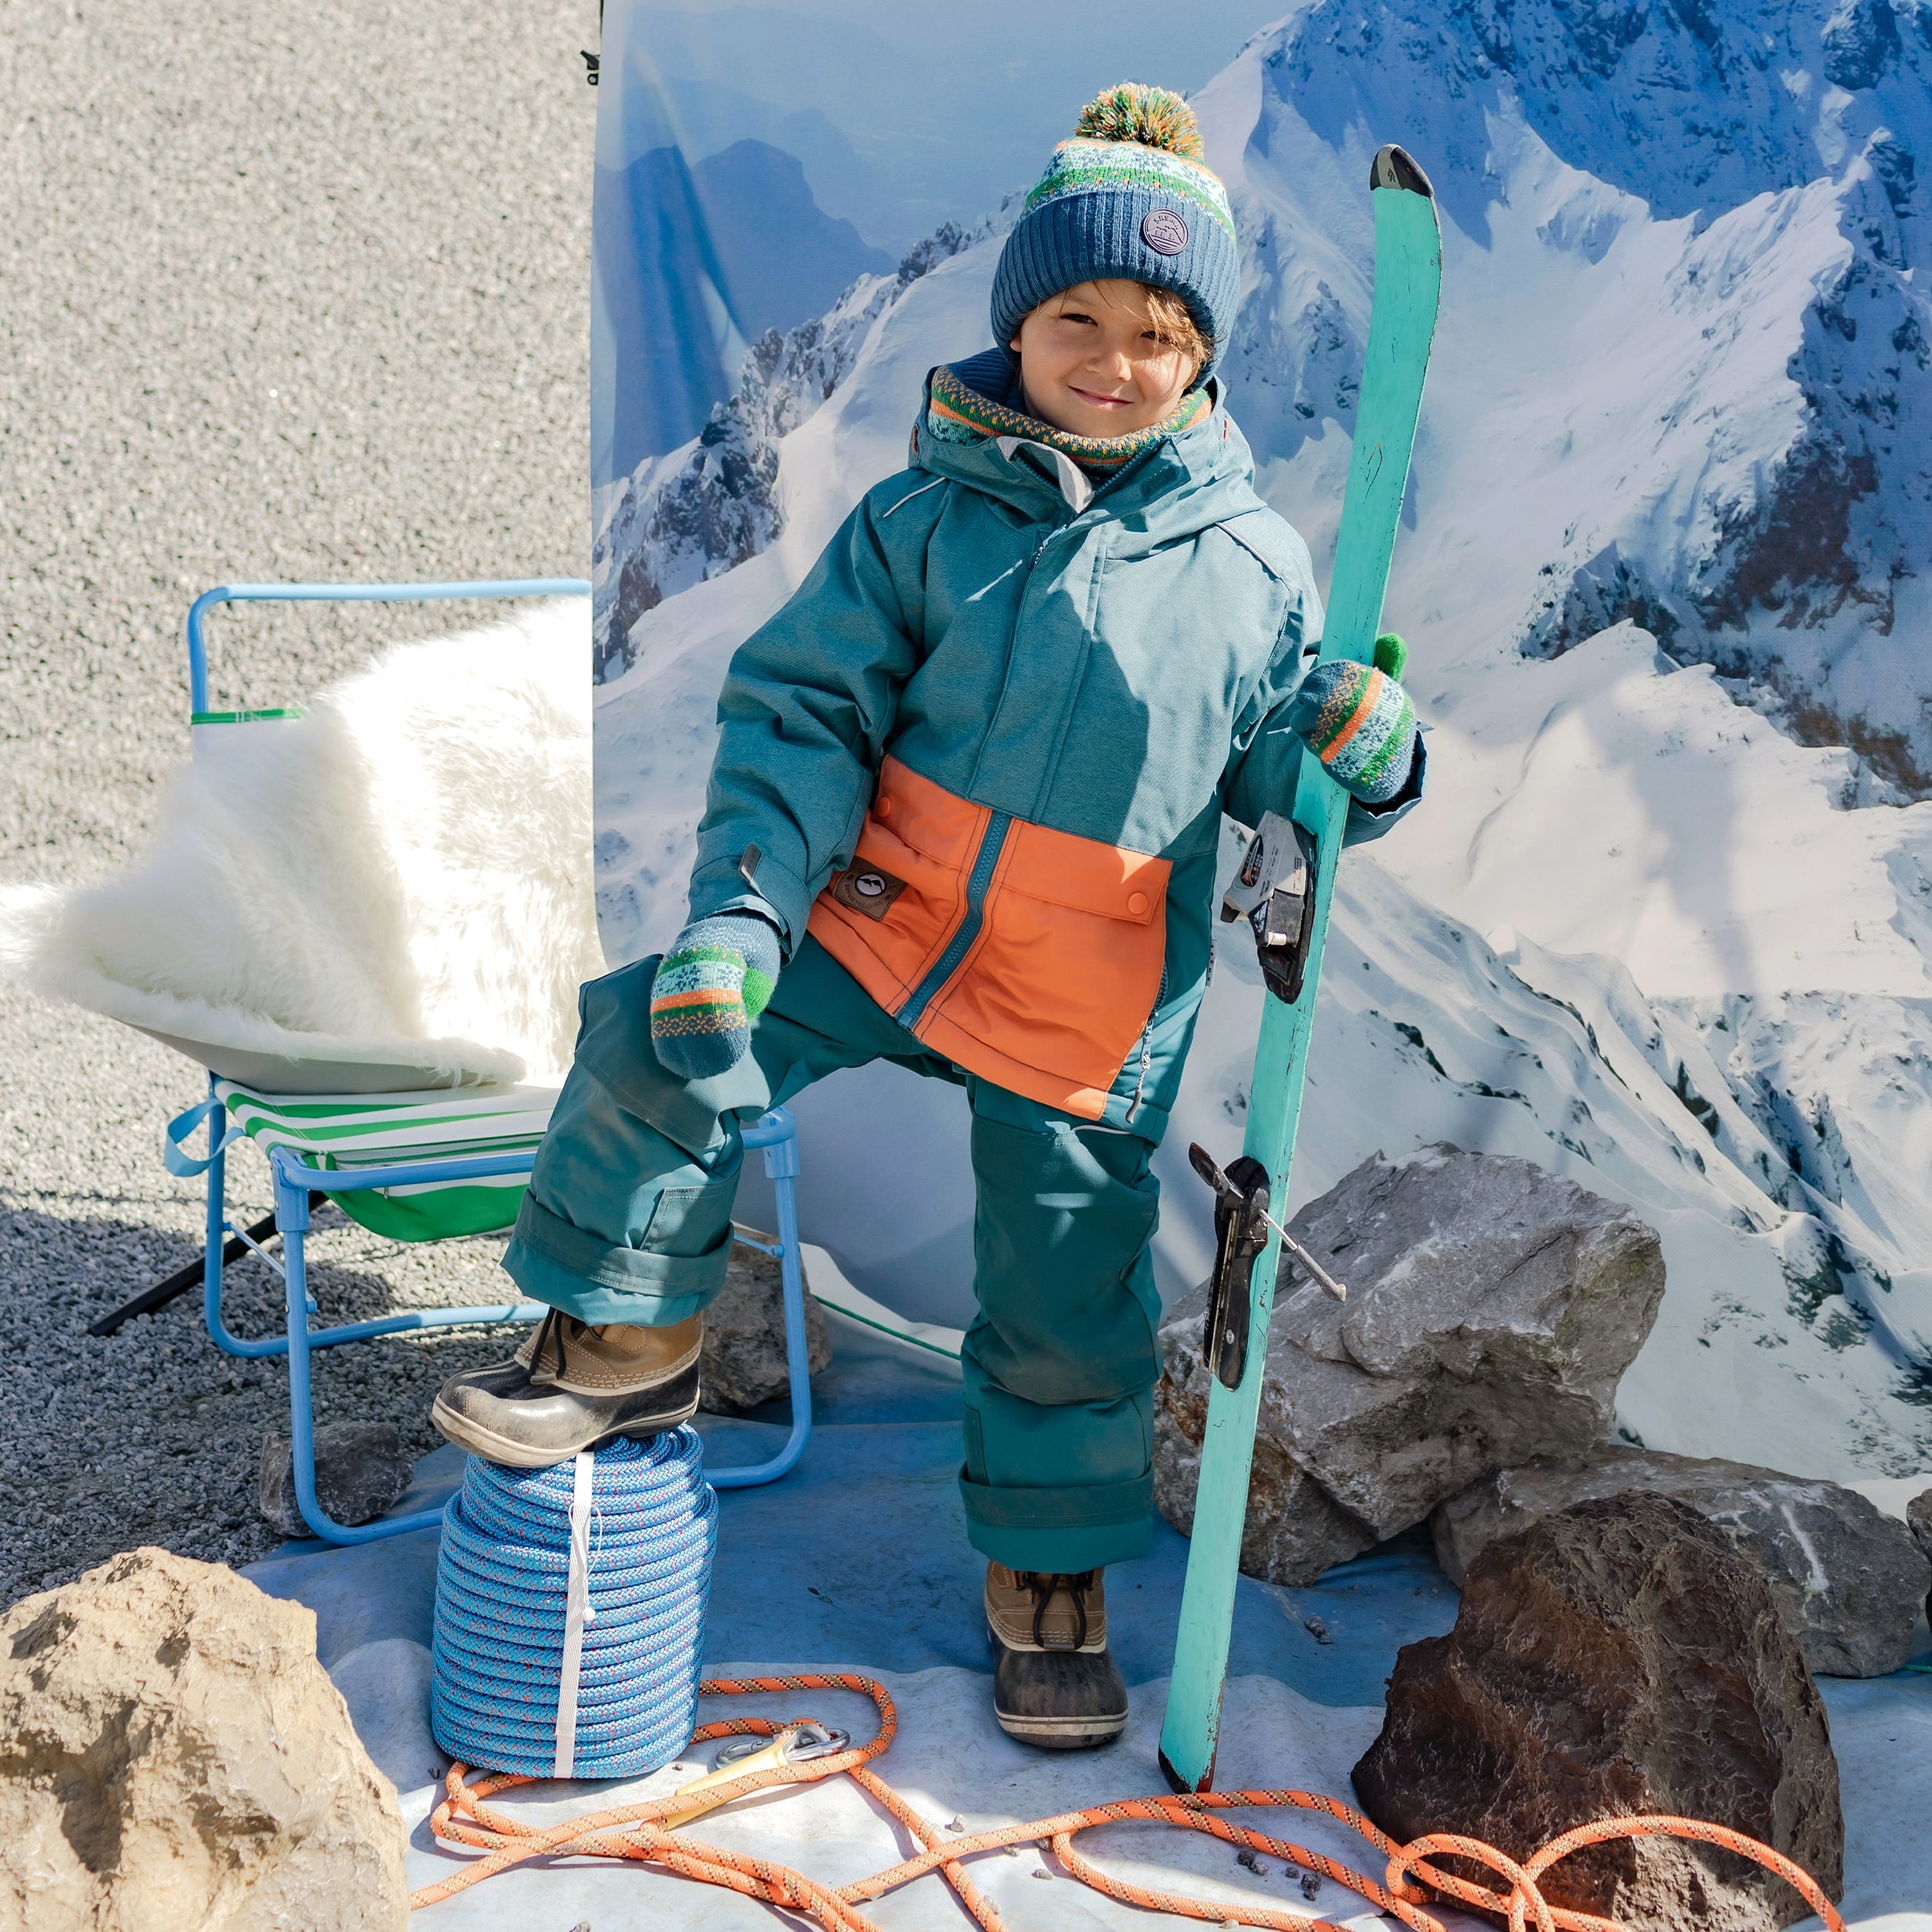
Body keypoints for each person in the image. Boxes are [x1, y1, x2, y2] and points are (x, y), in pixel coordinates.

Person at [431, 83, 1424, 1750]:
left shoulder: (1248, 566)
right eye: (1074, 318)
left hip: (1084, 981)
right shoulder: (919, 520)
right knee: (656, 1037)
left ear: (1207, 358)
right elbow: (800, 715)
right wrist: (742, 916)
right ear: (1014, 322)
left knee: (1063, 1290)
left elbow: (1268, 765)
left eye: (1159, 333)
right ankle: (626, 1326)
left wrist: (1360, 756)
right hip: (877, 912)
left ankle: (1047, 1569)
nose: (1113, 361)